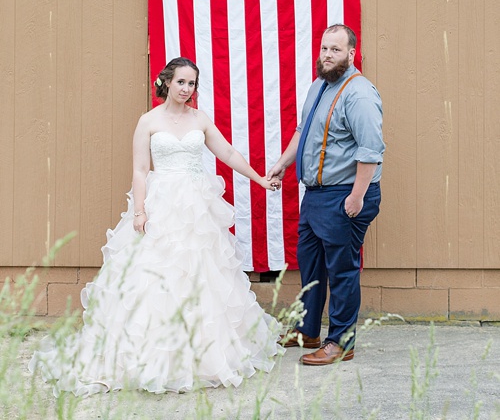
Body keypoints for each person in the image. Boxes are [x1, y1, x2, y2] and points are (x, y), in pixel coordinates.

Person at [30, 57, 283, 396]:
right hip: (161, 204)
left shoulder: (199, 119)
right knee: (155, 277)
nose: (186, 89)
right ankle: (150, 356)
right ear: (166, 82)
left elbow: (227, 152)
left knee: (200, 274)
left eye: (191, 83)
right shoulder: (148, 121)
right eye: (180, 82)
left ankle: (201, 355)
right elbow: (139, 169)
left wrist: (259, 179)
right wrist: (139, 212)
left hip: (196, 208)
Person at [267, 24, 384, 366]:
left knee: (342, 270)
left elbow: (371, 149)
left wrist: (357, 197)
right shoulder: (319, 86)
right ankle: (308, 331)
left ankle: (341, 343)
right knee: (312, 265)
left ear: (351, 53)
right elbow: (303, 132)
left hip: (346, 195)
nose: (327, 55)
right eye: (323, 49)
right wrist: (283, 164)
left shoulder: (359, 93)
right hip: (316, 196)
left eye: (335, 49)